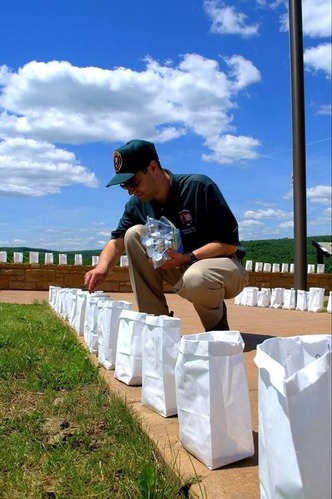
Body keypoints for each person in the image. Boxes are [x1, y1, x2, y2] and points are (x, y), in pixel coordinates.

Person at [84, 139, 248, 331]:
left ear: (153, 167)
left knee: (197, 277)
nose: (130, 191)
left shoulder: (198, 187)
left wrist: (188, 257)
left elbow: (229, 244)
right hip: (180, 266)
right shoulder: (137, 204)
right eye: (124, 186)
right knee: (133, 234)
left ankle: (217, 328)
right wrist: (102, 267)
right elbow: (117, 242)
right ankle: (156, 325)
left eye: (133, 182)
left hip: (224, 268)